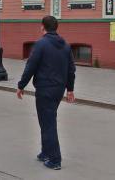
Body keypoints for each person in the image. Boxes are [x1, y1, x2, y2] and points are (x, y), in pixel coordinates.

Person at [17, 16, 76, 170]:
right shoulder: (66, 46)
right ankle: (45, 152)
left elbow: (31, 66)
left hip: (45, 89)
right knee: (46, 120)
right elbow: (71, 69)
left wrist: (21, 85)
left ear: (43, 27)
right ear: (56, 28)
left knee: (48, 123)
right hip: (58, 89)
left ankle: (55, 159)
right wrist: (70, 89)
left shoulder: (41, 44)